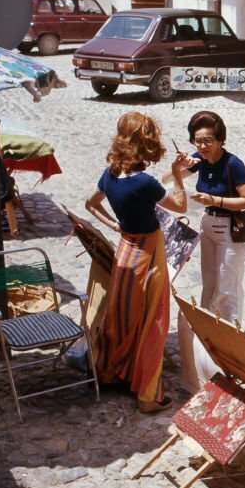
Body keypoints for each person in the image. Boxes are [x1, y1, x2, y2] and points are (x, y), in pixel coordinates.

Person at [86, 112, 188, 414]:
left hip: (125, 252)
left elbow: (91, 204)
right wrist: (177, 174)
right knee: (153, 320)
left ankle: (111, 373)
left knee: (121, 316)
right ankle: (147, 394)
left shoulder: (110, 175)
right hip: (149, 255)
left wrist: (114, 225)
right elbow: (181, 205)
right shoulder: (145, 183)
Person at [177, 110, 245, 393]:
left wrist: (214, 199)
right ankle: (210, 349)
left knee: (227, 289)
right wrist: (178, 166)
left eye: (208, 141)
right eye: (197, 141)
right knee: (209, 287)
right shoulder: (198, 160)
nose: (202, 146)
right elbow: (167, 179)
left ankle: (234, 351)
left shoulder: (232, 164)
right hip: (208, 227)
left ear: (220, 140)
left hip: (230, 230)